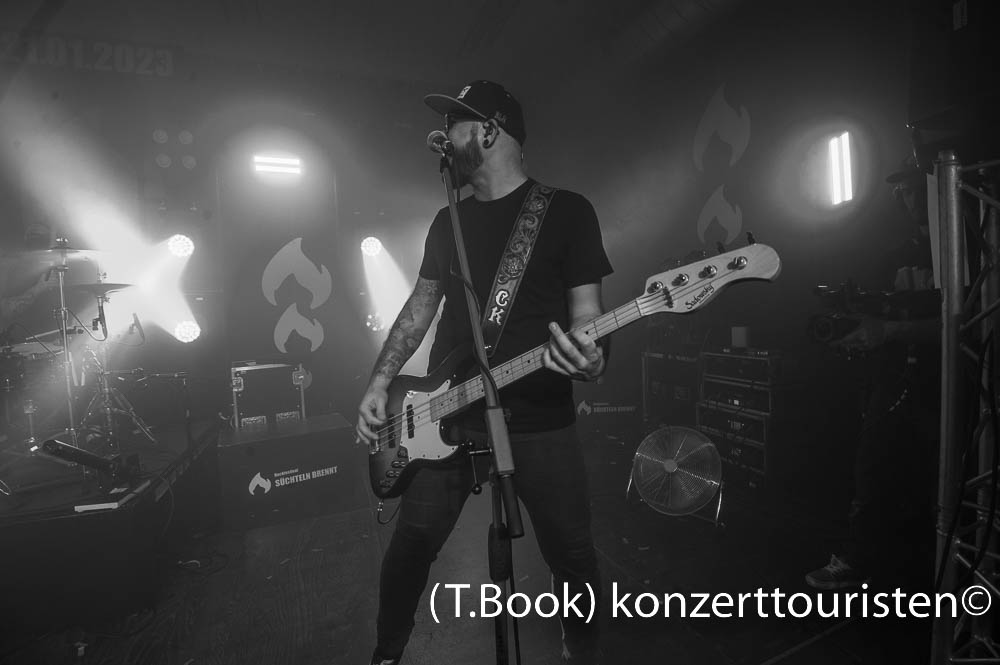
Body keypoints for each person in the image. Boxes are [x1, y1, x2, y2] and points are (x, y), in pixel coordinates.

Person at [355, 80, 613, 665]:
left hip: (539, 416)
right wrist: (380, 381)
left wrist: (592, 355)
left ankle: (581, 650)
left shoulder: (566, 211)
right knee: (410, 545)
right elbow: (420, 308)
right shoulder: (447, 221)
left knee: (572, 555)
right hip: (446, 412)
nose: (445, 135)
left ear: (491, 130)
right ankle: (387, 654)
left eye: (456, 123)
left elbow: (588, 316)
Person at [805, 159, 940, 590]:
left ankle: (944, 569)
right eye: (904, 192)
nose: (912, 200)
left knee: (944, 476)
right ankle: (859, 559)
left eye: (918, 188)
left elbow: (966, 324)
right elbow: (871, 317)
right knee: (873, 468)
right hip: (895, 380)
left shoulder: (969, 252)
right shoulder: (894, 256)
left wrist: (891, 330)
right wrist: (855, 334)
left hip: (951, 383)